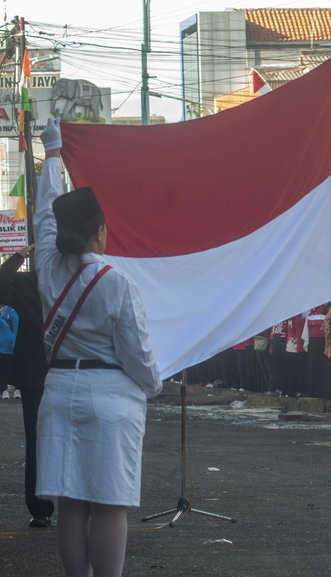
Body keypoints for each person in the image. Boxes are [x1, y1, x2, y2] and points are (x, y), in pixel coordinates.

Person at [35, 119, 162, 577]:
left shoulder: (49, 269)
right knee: (110, 505)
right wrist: (153, 384)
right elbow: (137, 354)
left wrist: (51, 155)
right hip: (110, 394)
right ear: (101, 231)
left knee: (71, 505)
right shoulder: (117, 283)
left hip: (59, 390)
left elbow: (45, 215)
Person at [0, 245, 54, 527]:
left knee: (37, 441)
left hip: (36, 374)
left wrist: (19, 256)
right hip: (68, 370)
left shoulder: (23, 282)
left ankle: (41, 507)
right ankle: (78, 504)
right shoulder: (72, 281)